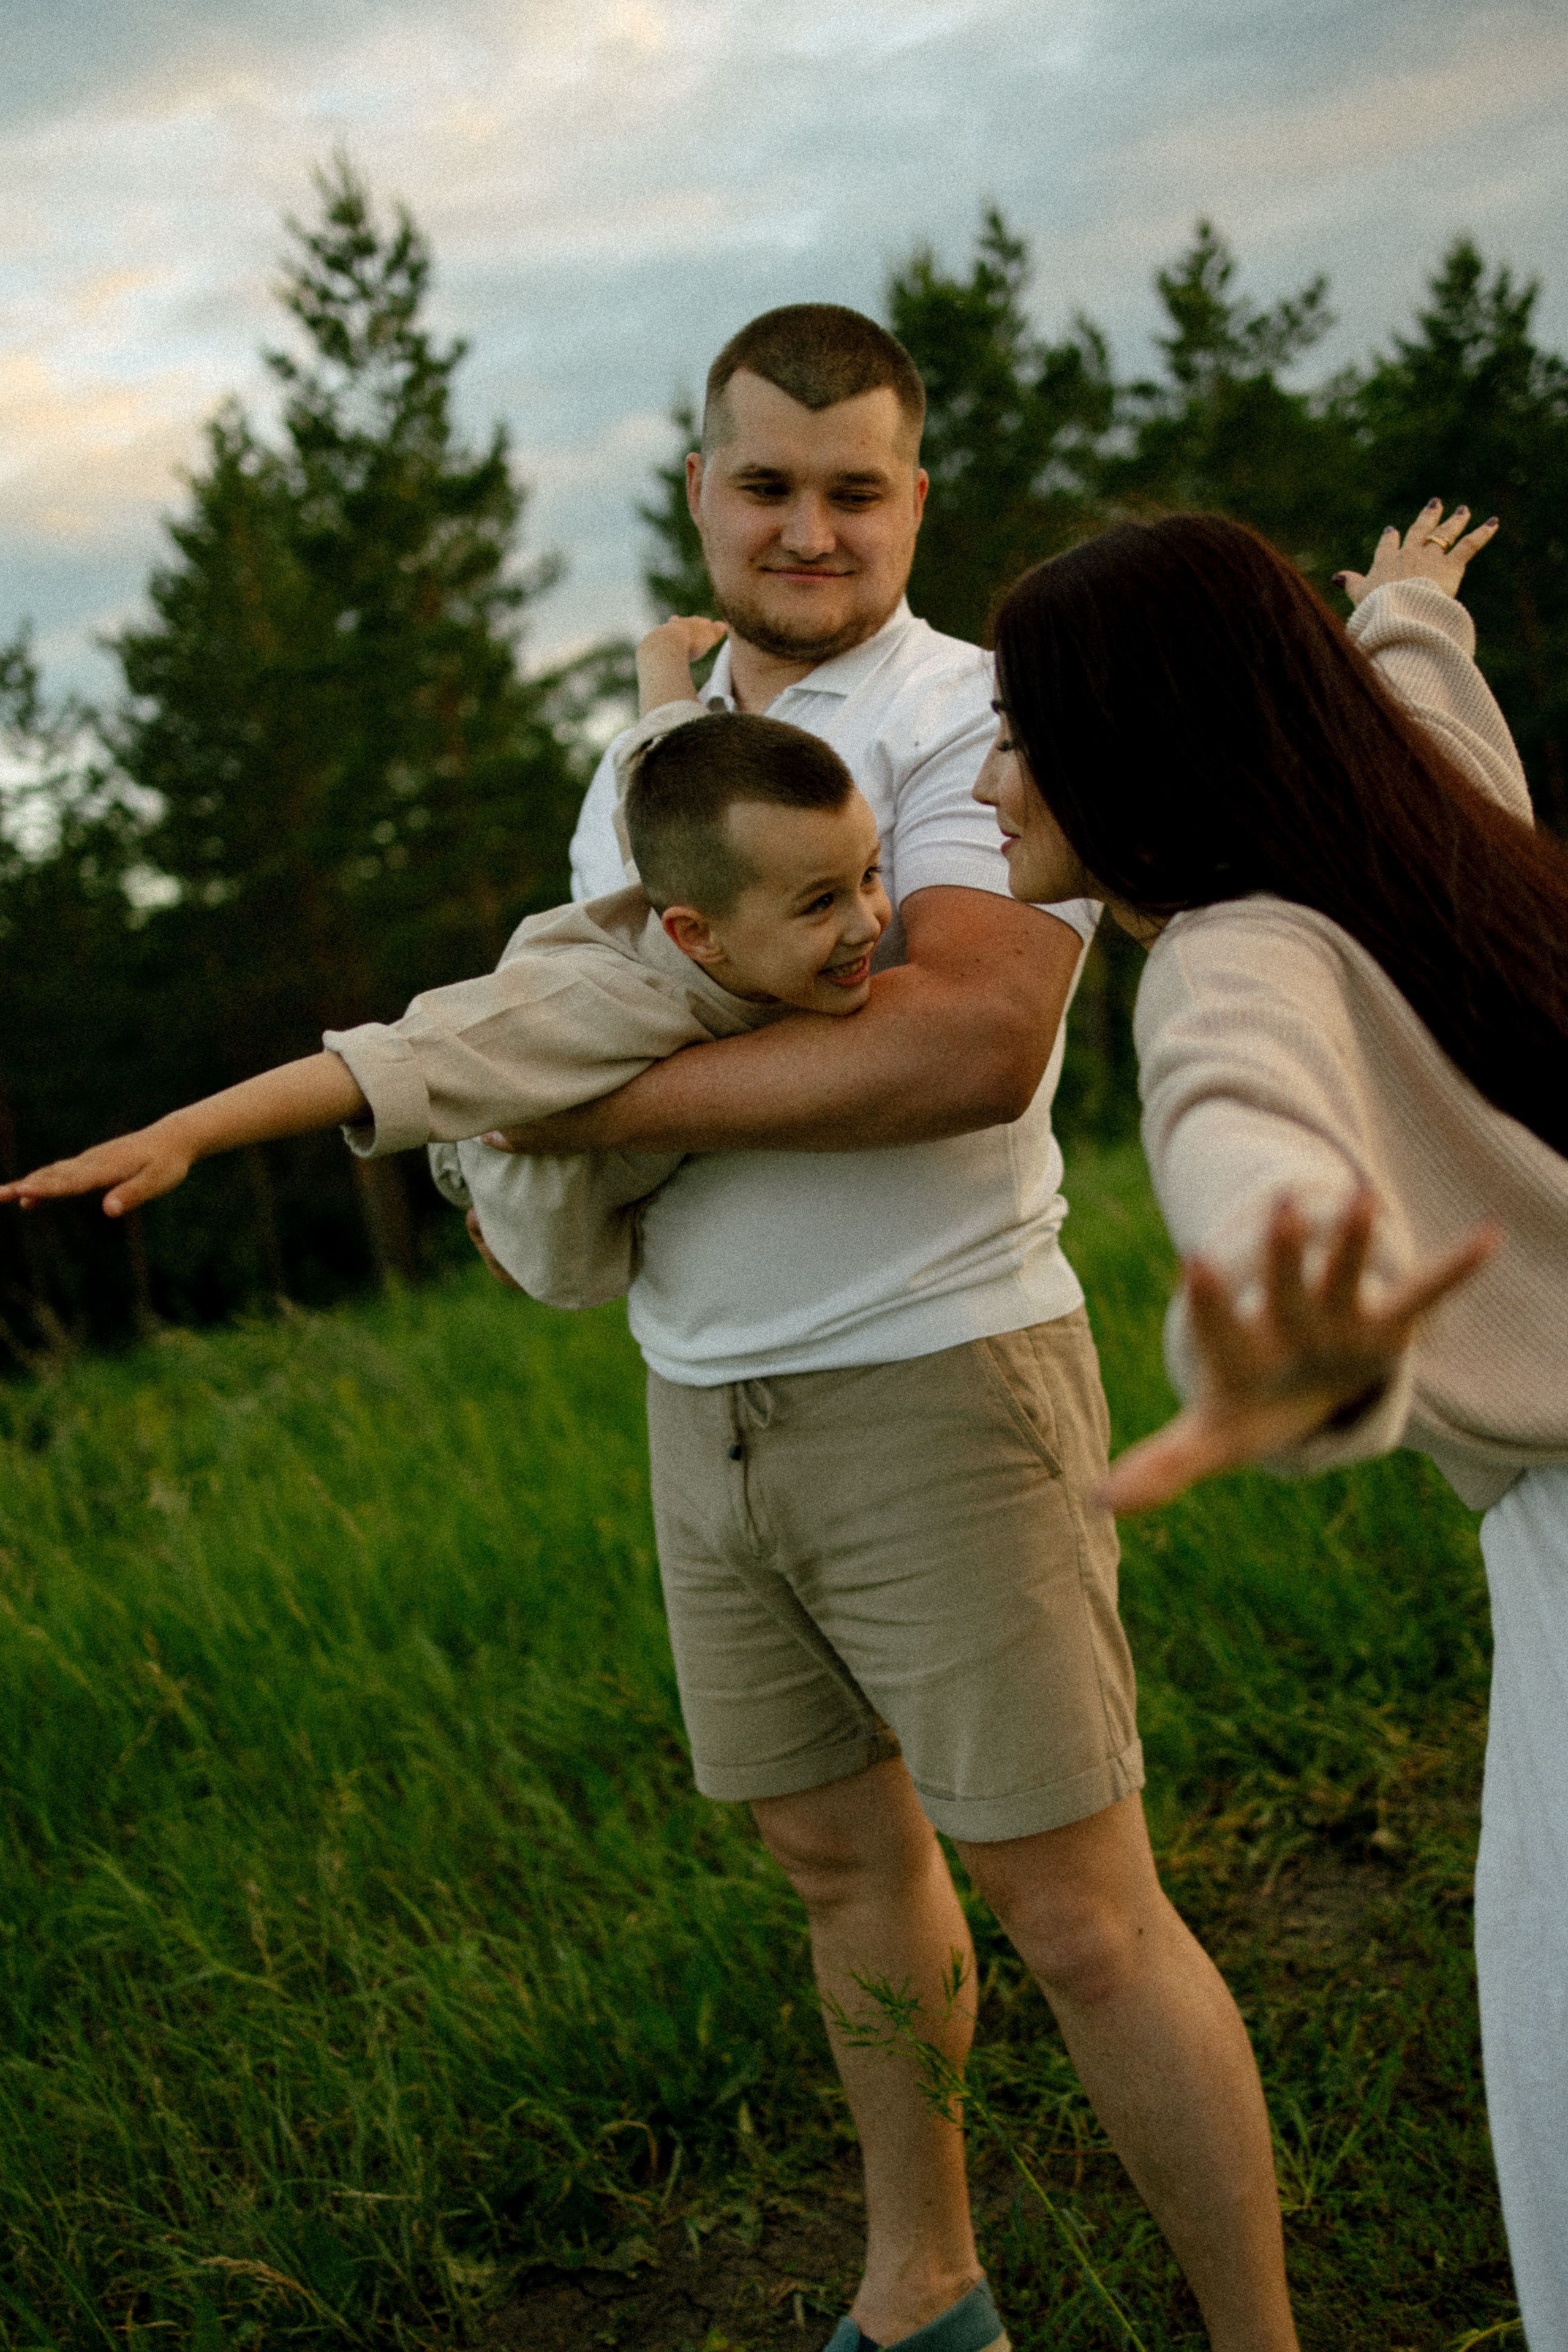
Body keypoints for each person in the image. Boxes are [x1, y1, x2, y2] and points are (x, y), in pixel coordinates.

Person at [466, 304, 1300, 2352]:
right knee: (841, 1872)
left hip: (941, 1376)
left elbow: (966, 1047)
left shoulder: (979, 715)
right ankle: (926, 2288)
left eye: (857, 492)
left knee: (1085, 1918)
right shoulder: (643, 768)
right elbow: (606, 994)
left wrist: (528, 1096)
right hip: (704, 1402)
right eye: (768, 487)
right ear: (700, 494)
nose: (811, 533)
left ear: (915, 498)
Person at [976, 500, 1568, 2348]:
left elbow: (1252, 1122)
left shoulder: (1234, 955)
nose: (993, 778)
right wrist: (1404, 607)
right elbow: (1426, 716)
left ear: (1134, 751)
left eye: (1024, 729)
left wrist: (1282, 1319)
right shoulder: (1440, 846)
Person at [0, 625, 893, 1298]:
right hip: (524, 1179)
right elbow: (376, 1063)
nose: (867, 923)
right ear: (699, 935)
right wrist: (181, 1135)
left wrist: (663, 649)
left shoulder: (697, 837)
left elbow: (659, 742)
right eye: (822, 903)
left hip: (555, 1053)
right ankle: (478, 1199)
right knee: (535, 1207)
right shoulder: (595, 1004)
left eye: (870, 874)